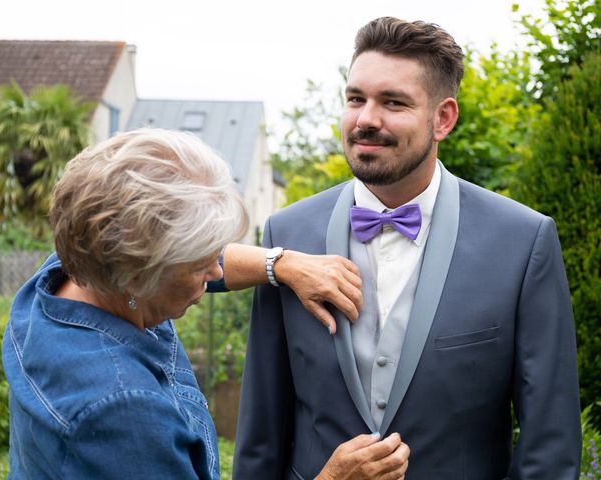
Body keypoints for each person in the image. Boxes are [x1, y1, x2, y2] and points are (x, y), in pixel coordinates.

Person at [233, 16, 581, 480]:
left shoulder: (522, 242)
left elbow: (549, 448)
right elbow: (261, 434)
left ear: (443, 118)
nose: (366, 119)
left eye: (393, 103)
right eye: (355, 99)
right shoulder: (286, 235)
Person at [2, 128, 409, 479]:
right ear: (139, 276)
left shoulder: (75, 268)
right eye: (200, 265)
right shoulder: (124, 411)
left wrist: (281, 263)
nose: (216, 271)